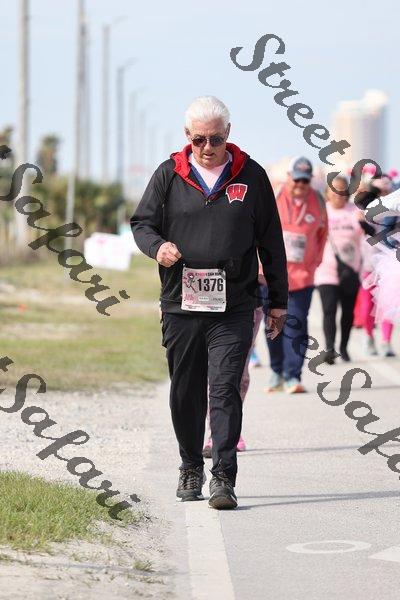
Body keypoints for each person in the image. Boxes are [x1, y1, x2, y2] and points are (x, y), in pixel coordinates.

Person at [131, 96, 288, 510]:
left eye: (215, 139)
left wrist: (278, 301)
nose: (207, 147)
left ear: (228, 134)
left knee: (224, 388)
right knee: (186, 391)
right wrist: (157, 247)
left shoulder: (251, 176)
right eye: (199, 139)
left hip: (234, 304)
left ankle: (223, 477)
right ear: (188, 136)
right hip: (181, 303)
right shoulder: (168, 174)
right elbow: (142, 223)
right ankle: (190, 466)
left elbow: (271, 241)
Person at [266, 157, 328, 393]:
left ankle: (293, 376)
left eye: (305, 181)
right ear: (288, 177)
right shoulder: (273, 196)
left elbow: (323, 233)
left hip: (302, 277)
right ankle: (277, 371)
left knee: (297, 325)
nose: (300, 185)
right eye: (297, 180)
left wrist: (315, 261)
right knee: (273, 325)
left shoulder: (318, 201)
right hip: (271, 275)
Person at [314, 176, 363, 363]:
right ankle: (329, 349)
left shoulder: (355, 211)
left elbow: (367, 236)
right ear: (327, 193)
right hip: (326, 271)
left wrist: (363, 223)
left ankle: (343, 347)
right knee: (329, 310)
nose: (338, 194)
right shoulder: (321, 211)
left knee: (348, 312)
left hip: (350, 270)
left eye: (342, 190)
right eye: (334, 190)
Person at [358, 175, 397, 357]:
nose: (383, 194)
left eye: (387, 191)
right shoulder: (363, 209)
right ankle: (368, 337)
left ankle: (386, 341)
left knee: (389, 302)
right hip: (369, 263)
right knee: (368, 303)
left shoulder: (395, 206)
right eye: (378, 191)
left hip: (390, 263)